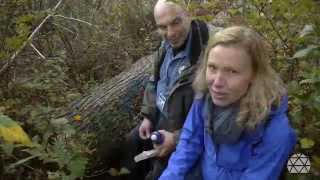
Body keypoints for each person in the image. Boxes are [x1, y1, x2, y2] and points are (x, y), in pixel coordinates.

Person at [159, 26, 297, 180]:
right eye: (212, 67)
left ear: (254, 75)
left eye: (232, 71)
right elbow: (189, 142)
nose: (216, 83)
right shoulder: (205, 97)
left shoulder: (274, 129)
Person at [122, 0, 216, 179]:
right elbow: (154, 81)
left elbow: (215, 116)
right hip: (158, 119)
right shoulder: (164, 46)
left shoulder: (207, 55)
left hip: (182, 129)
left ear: (188, 14)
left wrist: (177, 139)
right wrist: (148, 116)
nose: (170, 33)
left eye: (176, 22)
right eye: (163, 27)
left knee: (159, 171)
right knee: (131, 144)